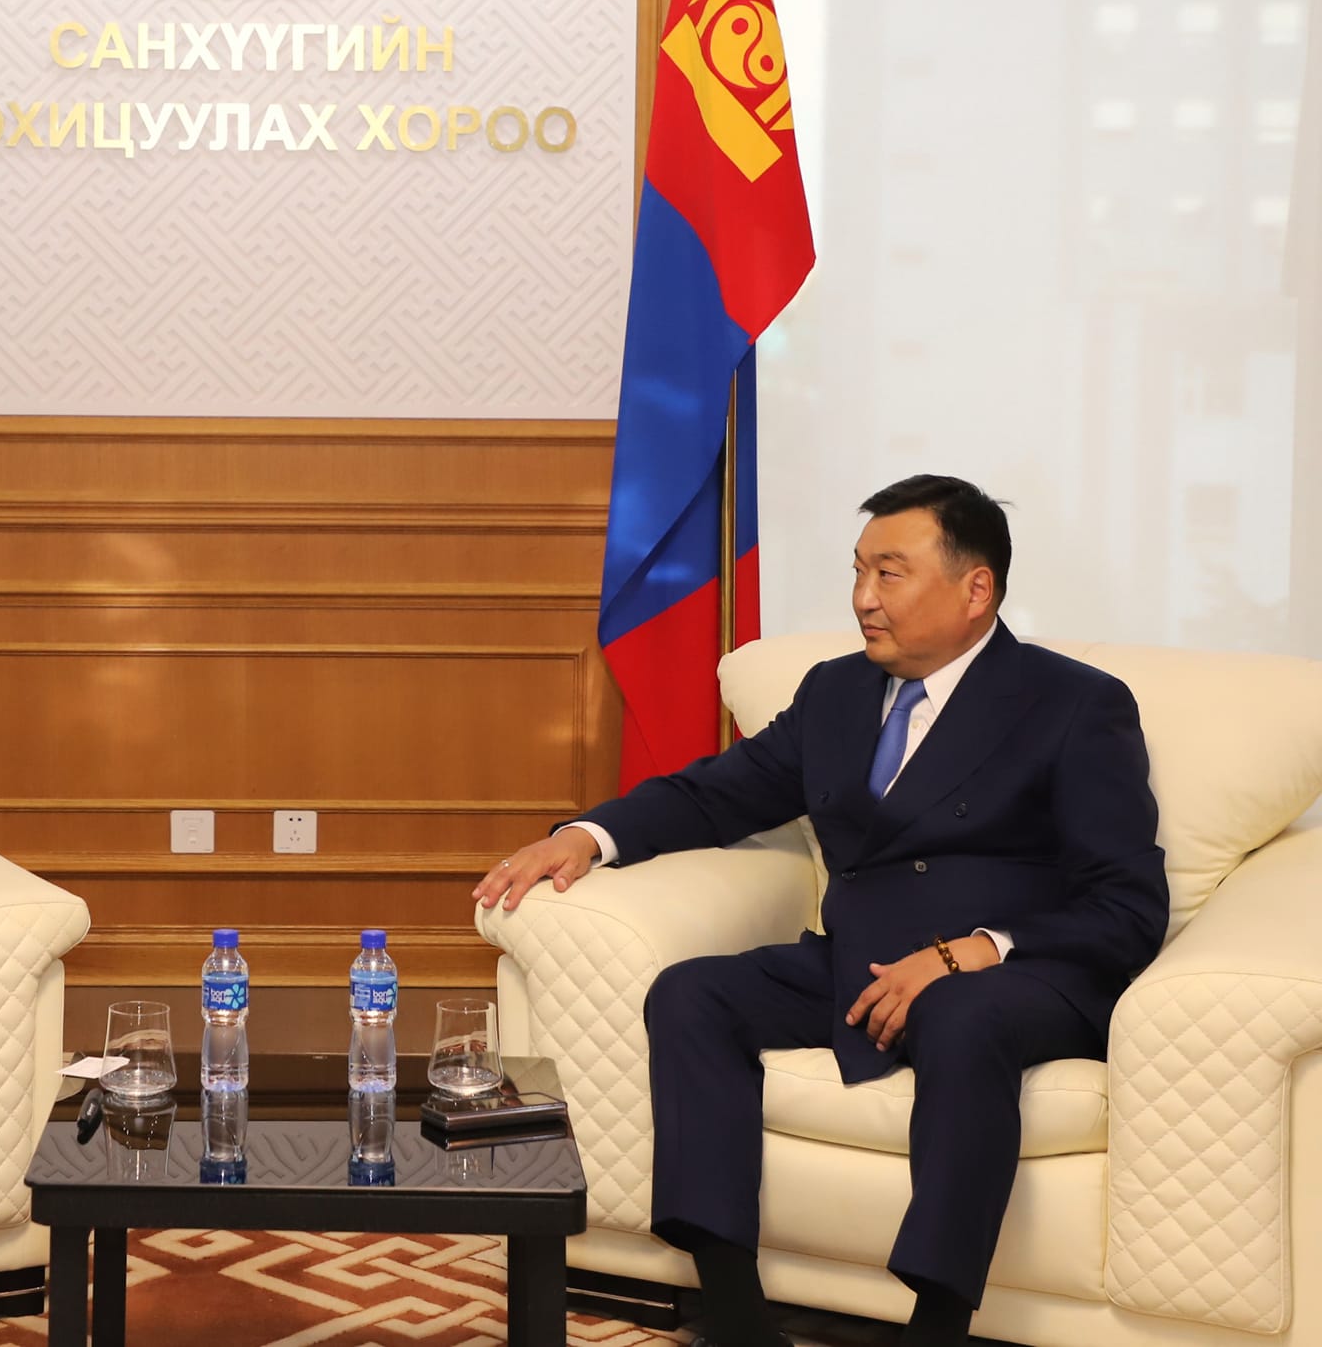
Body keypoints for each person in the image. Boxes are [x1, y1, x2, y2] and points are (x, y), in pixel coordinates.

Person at [474, 476, 1167, 1347]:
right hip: (863, 960)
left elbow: (1129, 905)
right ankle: (734, 1314)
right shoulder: (836, 692)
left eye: (890, 573)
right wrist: (589, 835)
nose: (864, 598)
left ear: (975, 588)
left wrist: (973, 950)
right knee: (693, 995)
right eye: (859, 572)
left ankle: (938, 1325)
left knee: (961, 1016)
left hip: (1012, 976)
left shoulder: (1073, 704)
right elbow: (716, 795)